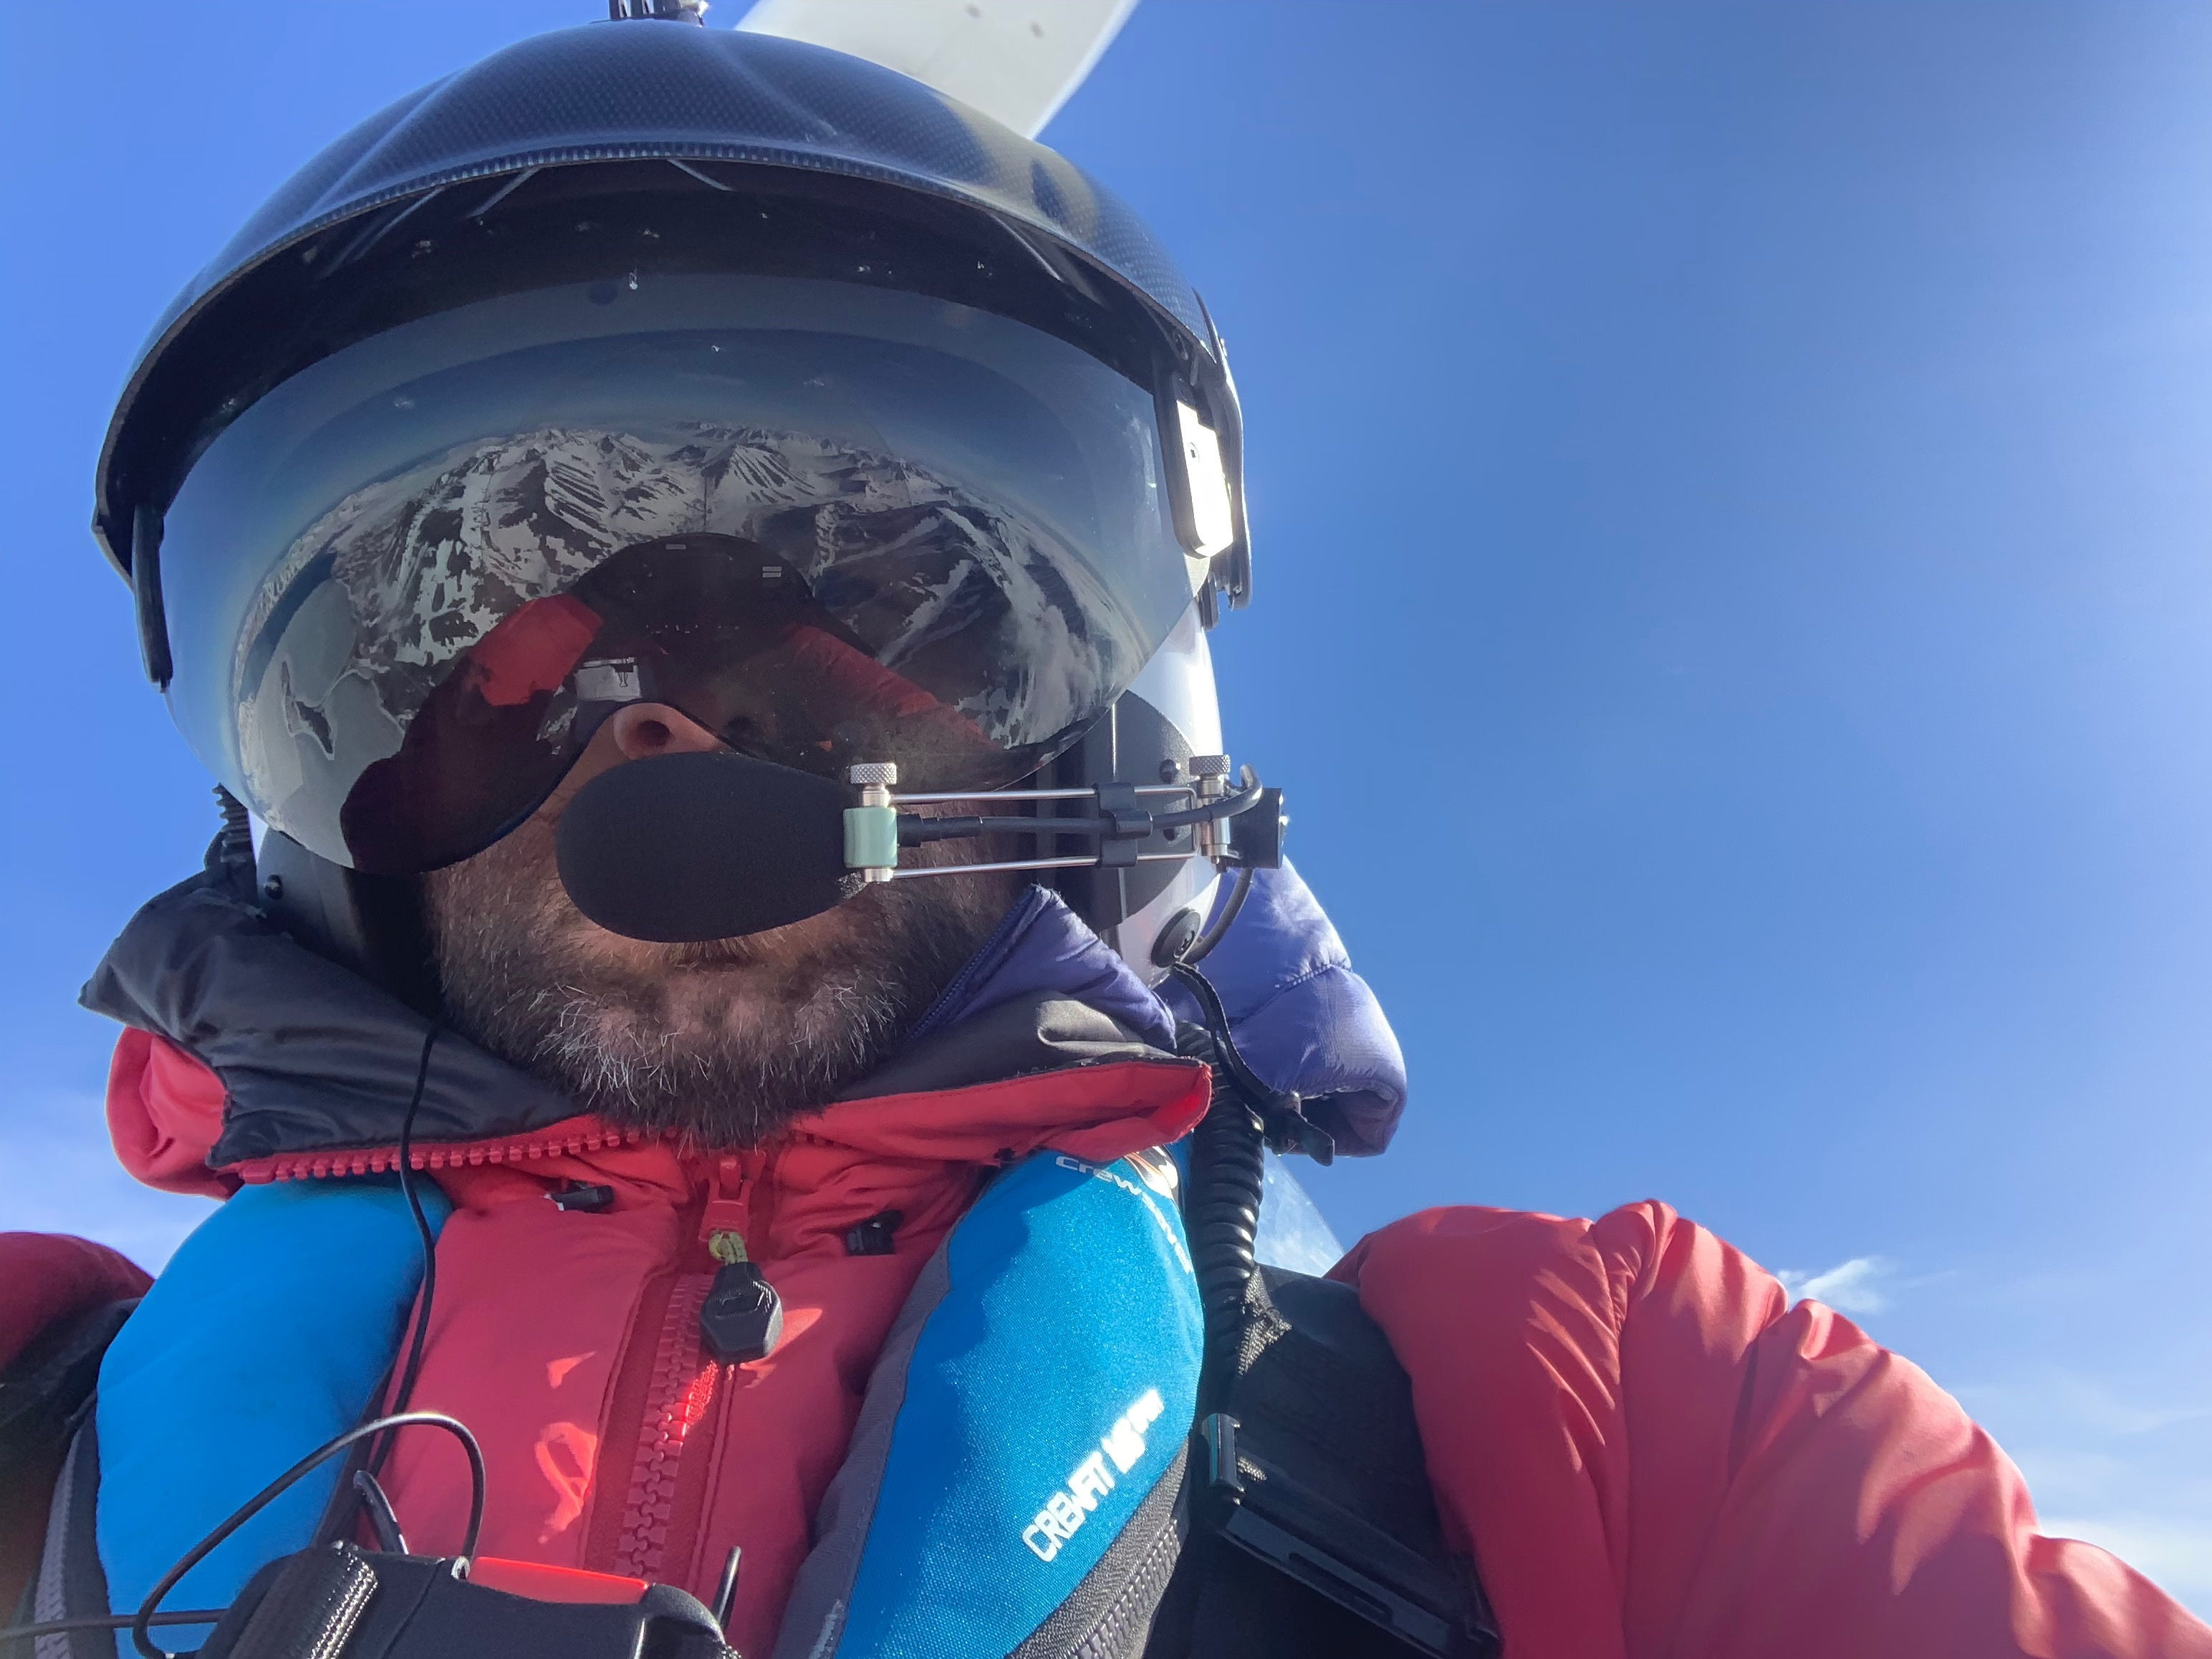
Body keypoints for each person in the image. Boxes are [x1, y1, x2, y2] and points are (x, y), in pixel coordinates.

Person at [3, 13, 2206, 1659]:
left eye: (868, 598)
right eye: (481, 649)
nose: (662, 717)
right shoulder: (28, 1412)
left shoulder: (1600, 1411)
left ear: (1099, 727)